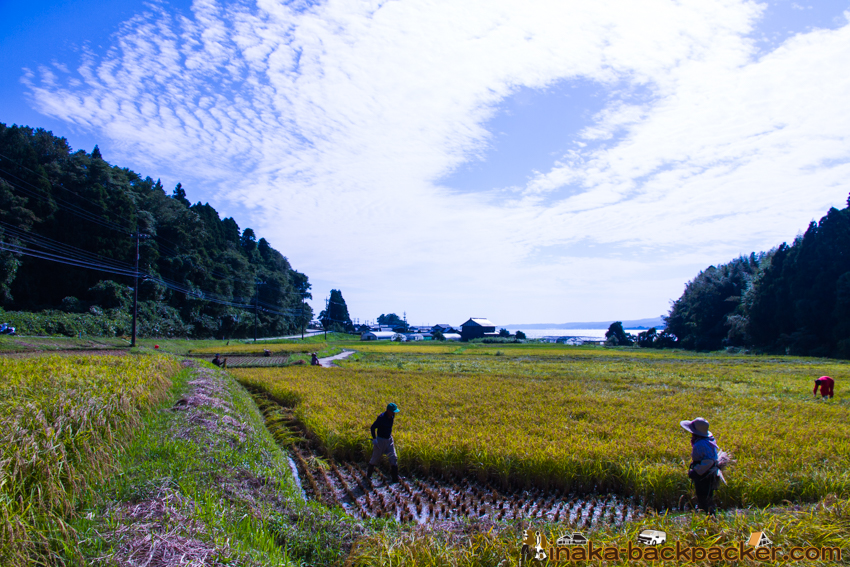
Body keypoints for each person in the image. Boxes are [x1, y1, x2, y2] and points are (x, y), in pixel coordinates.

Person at [680, 417, 722, 515]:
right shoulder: (708, 440)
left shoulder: (701, 444)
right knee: (707, 495)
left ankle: (708, 515)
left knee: (703, 496)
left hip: (704, 474)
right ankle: (709, 514)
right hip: (708, 472)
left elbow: (709, 461)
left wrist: (696, 471)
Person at [367, 402, 401, 482]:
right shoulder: (381, 418)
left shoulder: (392, 416)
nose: (394, 413)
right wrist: (374, 439)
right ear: (388, 411)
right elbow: (373, 427)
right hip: (380, 441)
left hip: (389, 440)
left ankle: (395, 478)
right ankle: (368, 476)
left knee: (393, 458)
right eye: (393, 411)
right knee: (374, 459)